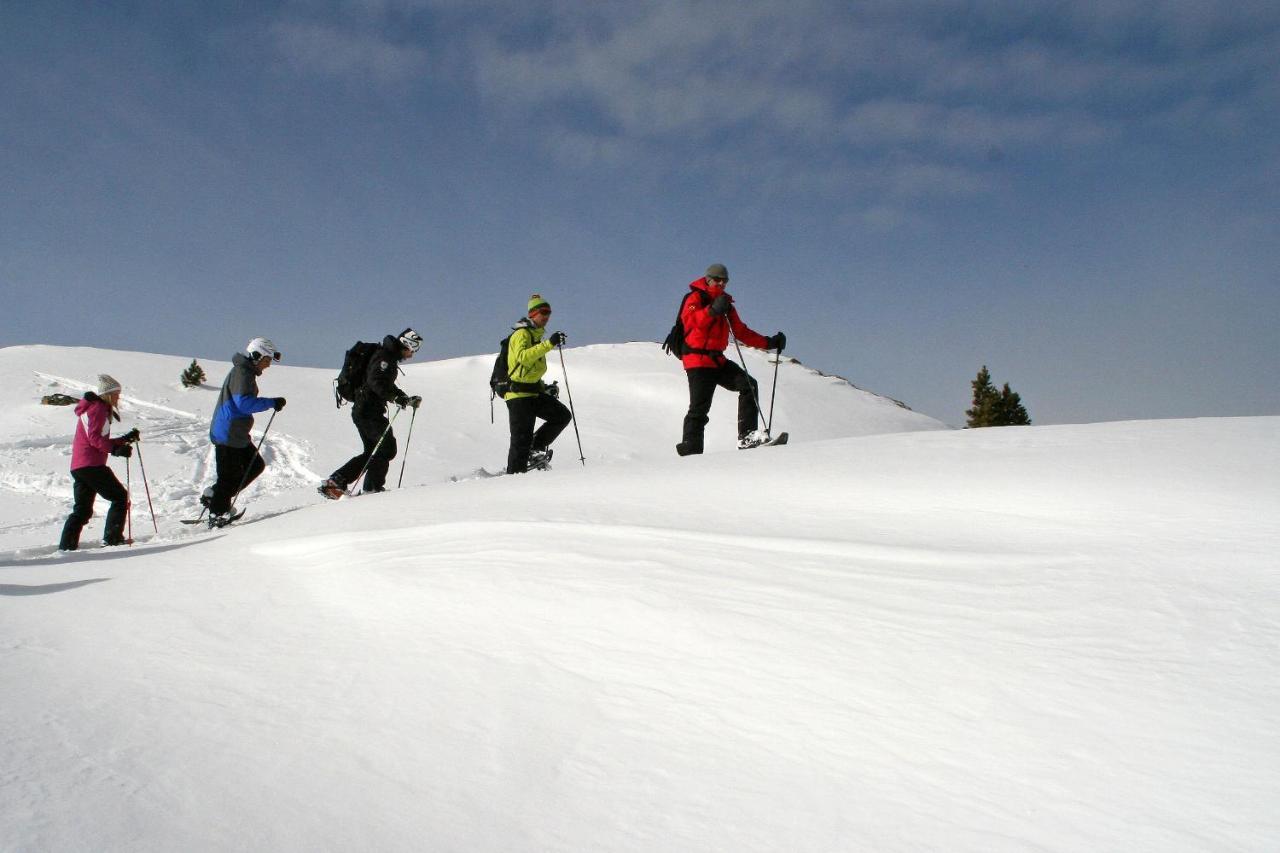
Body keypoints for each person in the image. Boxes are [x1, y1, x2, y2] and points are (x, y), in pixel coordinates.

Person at [675, 263, 786, 455]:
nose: (721, 284)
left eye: (725, 281)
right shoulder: (695, 298)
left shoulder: (726, 304)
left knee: (748, 385)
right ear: (708, 279)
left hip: (717, 360)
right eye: (718, 280)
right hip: (698, 361)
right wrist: (711, 311)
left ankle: (747, 437)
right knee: (699, 408)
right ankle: (691, 450)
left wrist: (769, 343)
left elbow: (741, 331)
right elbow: (691, 323)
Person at [318, 329, 422, 498]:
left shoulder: (386, 357)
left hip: (364, 410)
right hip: (368, 411)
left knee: (373, 451)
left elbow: (383, 384)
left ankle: (336, 484)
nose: (412, 354)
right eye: (413, 350)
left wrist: (404, 398)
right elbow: (376, 382)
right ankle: (371, 490)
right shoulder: (385, 358)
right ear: (407, 344)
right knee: (386, 448)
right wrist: (397, 398)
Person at [203, 337, 286, 525]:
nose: (268, 365)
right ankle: (217, 513)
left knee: (255, 465)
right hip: (228, 432)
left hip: (237, 433)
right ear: (257, 356)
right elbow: (243, 403)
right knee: (228, 477)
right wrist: (271, 402)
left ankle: (215, 497)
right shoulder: (242, 372)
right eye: (267, 360)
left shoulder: (246, 372)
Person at [59, 374, 140, 550]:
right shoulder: (99, 408)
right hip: (91, 465)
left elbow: (97, 438)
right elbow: (94, 439)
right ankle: (113, 538)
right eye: (117, 394)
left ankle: (66, 547)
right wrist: (116, 450)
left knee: (82, 510)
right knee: (119, 497)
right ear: (109, 394)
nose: (119, 397)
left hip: (80, 466)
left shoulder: (93, 408)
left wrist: (123, 440)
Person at [503, 294, 571, 474]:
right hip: (518, 396)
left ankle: (534, 447)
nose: (547, 316)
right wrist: (549, 344)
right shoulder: (521, 334)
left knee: (562, 416)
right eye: (543, 312)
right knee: (520, 442)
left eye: (549, 312)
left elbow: (530, 370)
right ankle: (514, 480)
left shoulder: (535, 336)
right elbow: (522, 358)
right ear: (533, 313)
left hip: (533, 393)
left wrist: (543, 387)